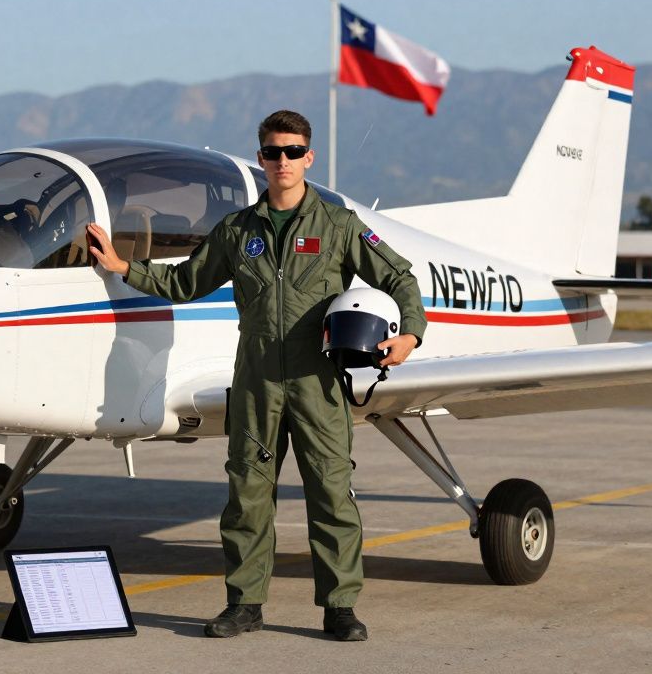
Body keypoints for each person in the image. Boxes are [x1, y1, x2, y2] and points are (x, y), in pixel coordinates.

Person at [86, 110, 426, 642]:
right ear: (262, 157)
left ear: (308, 158)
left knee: (331, 496)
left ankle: (339, 607)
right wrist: (123, 266)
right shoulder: (238, 230)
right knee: (247, 496)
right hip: (256, 382)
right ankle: (244, 604)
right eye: (273, 152)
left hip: (318, 384)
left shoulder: (338, 226)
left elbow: (400, 276)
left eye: (293, 151)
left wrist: (409, 335)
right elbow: (186, 282)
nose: (283, 161)